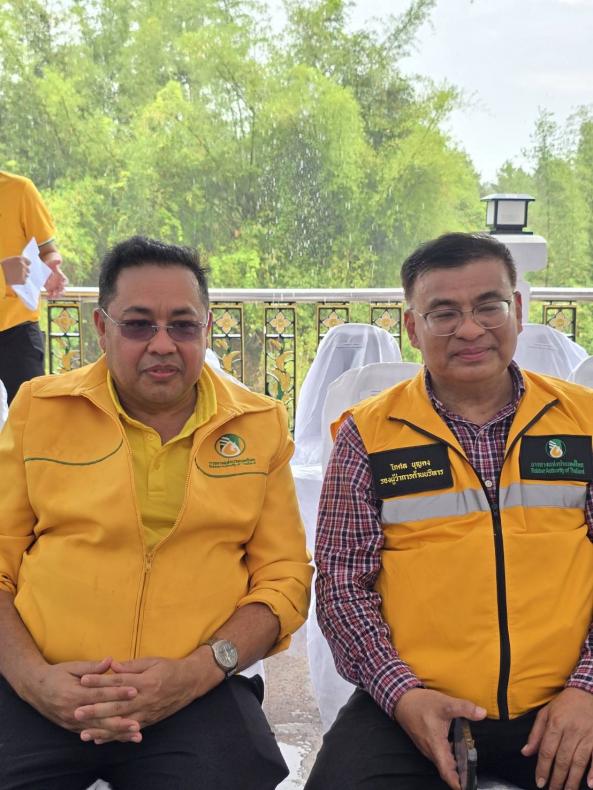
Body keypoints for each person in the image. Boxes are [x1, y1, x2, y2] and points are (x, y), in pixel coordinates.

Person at [0, 235, 312, 790]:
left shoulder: (256, 424)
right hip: (42, 683)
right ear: (102, 328)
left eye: (183, 326)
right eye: (139, 325)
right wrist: (33, 680)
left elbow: (284, 580)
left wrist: (197, 672)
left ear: (207, 329)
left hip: (196, 690)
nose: (163, 344)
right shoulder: (40, 410)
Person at [306, 232, 593, 790]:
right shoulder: (369, 433)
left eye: (489, 306)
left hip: (567, 699)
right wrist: (402, 694)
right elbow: (341, 584)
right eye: (444, 313)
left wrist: (586, 688)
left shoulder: (583, 420)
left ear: (518, 310)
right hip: (414, 701)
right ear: (412, 328)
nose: (470, 330)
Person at [0, 170, 67, 404]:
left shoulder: (20, 190)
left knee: (31, 415)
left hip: (18, 330)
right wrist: (4, 273)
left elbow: (47, 249)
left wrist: (50, 266)